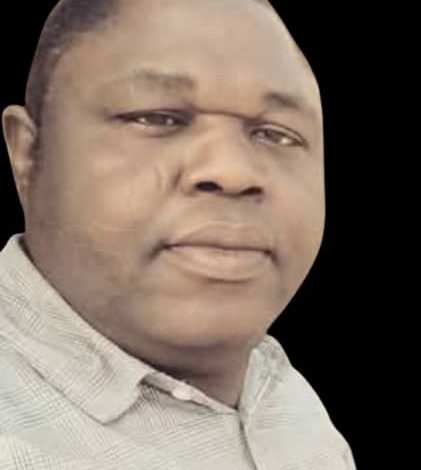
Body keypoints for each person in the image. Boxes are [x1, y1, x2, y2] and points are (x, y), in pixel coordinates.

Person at [0, 0, 356, 468]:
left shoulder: (281, 393)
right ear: (28, 155)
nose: (231, 170)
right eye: (157, 118)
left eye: (276, 134)